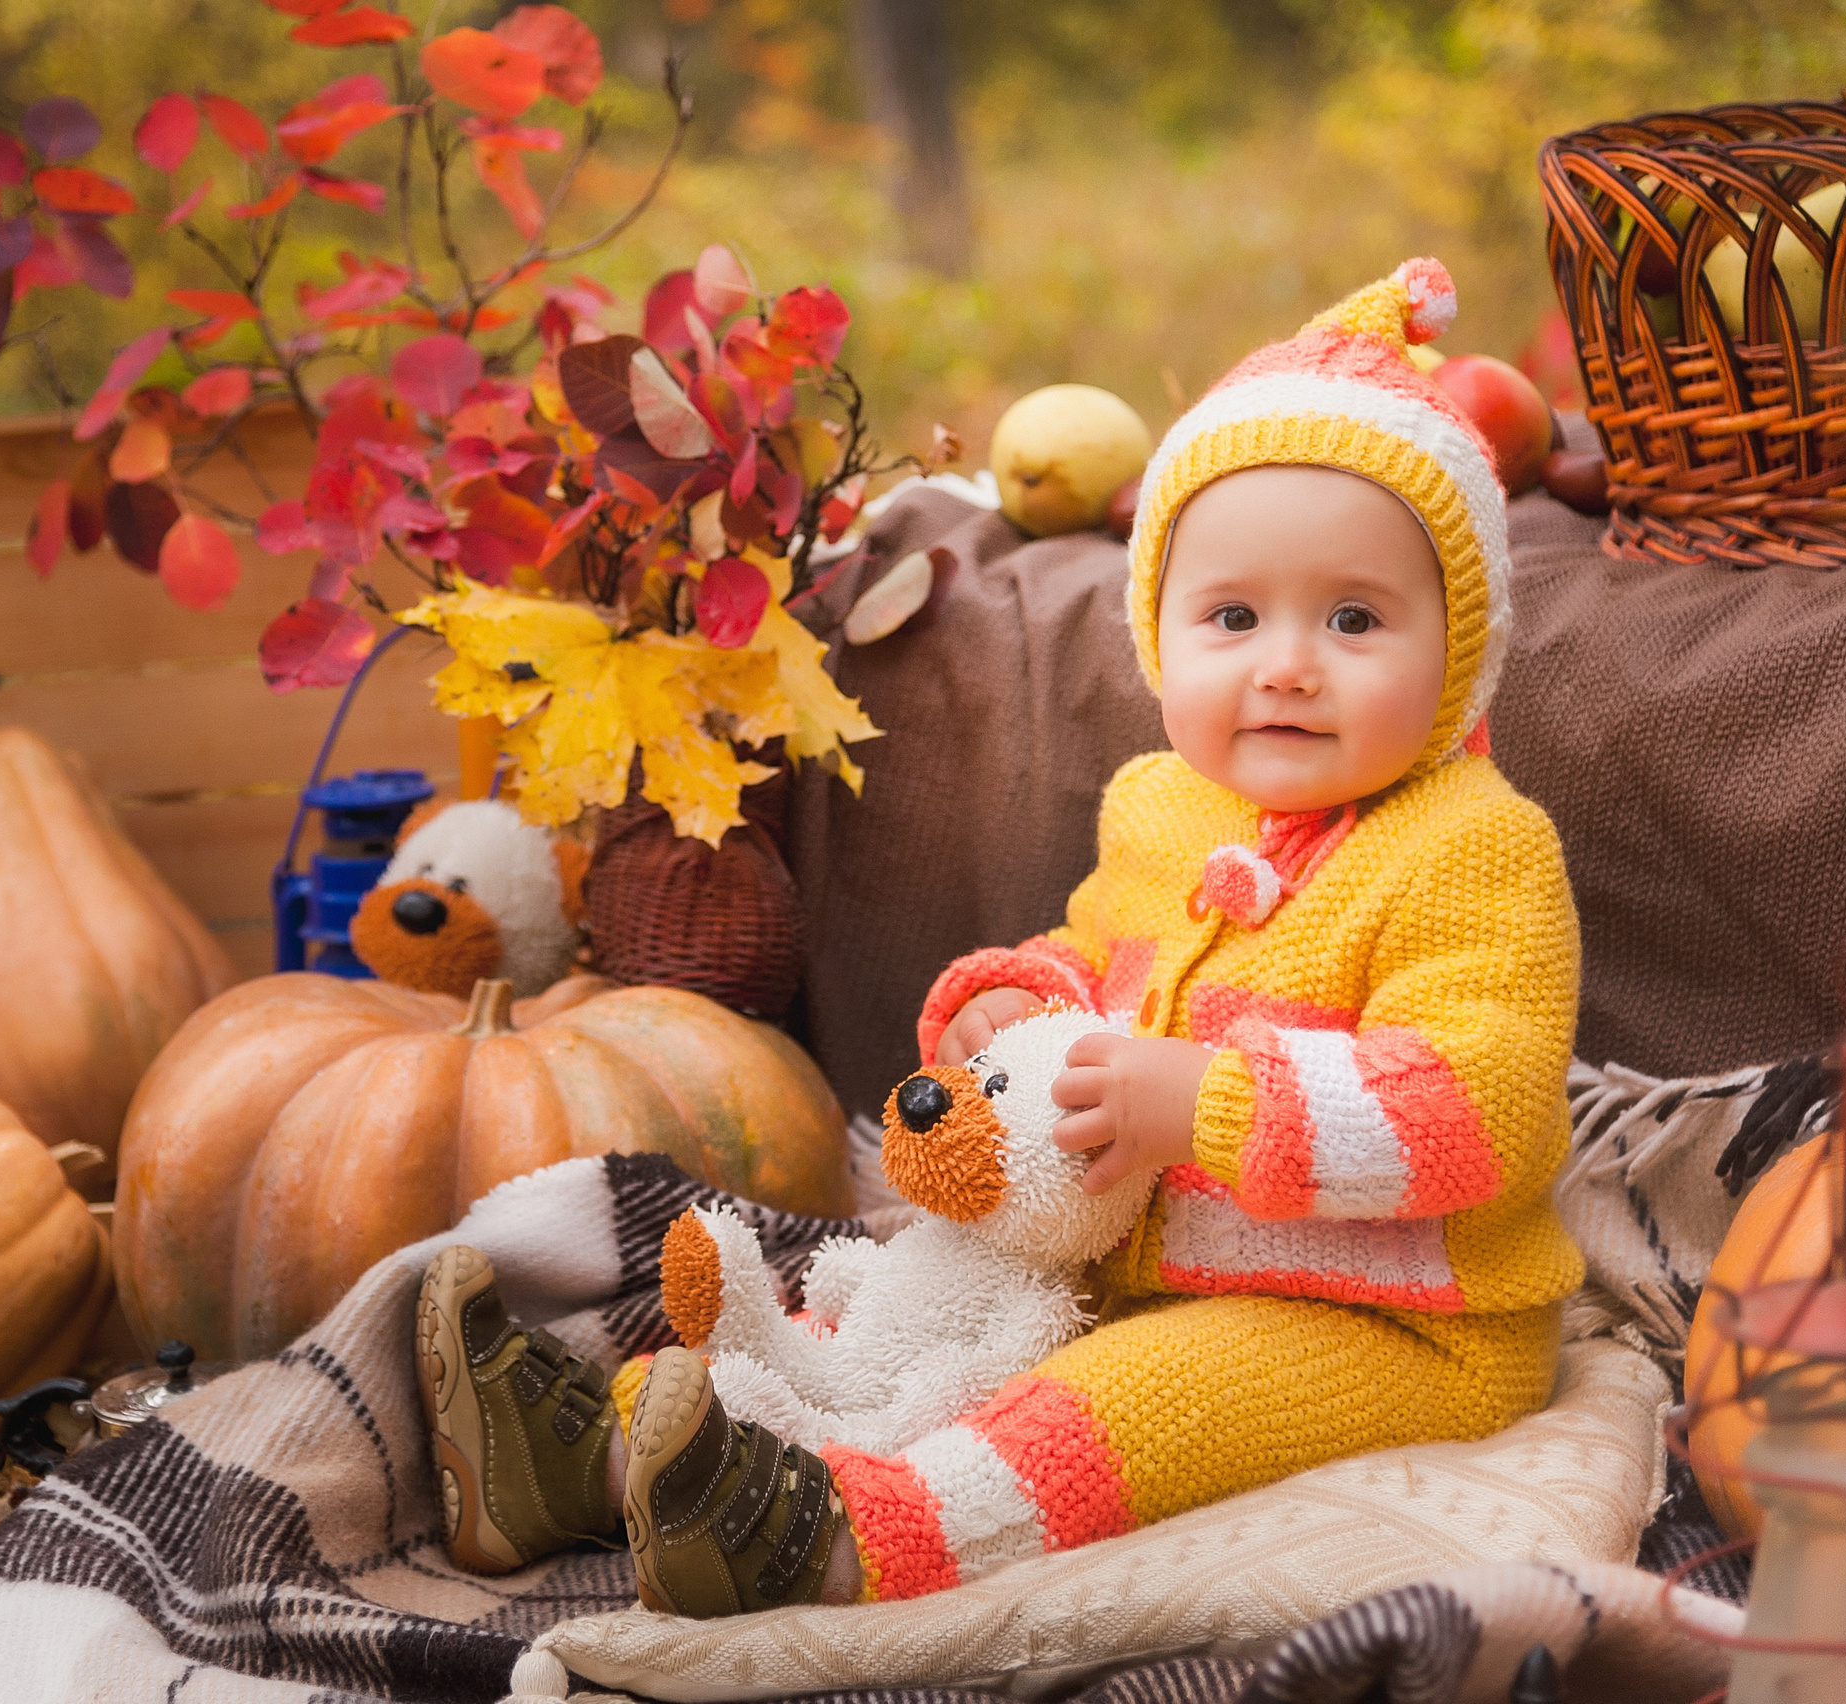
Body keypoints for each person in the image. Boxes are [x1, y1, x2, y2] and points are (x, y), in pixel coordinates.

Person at [416, 256, 1585, 1616]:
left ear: (1464, 651)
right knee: (896, 1316)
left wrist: (1194, 1104)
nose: (1285, 663)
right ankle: (603, 1459)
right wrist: (1015, 1005)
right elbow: (1100, 964)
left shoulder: (1473, 848)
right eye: (1231, 616)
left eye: (1355, 619)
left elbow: (1481, 1112)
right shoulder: (1167, 807)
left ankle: (843, 1539)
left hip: (1390, 1322)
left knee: (1122, 1404)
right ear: (1160, 636)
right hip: (1125, 1256)